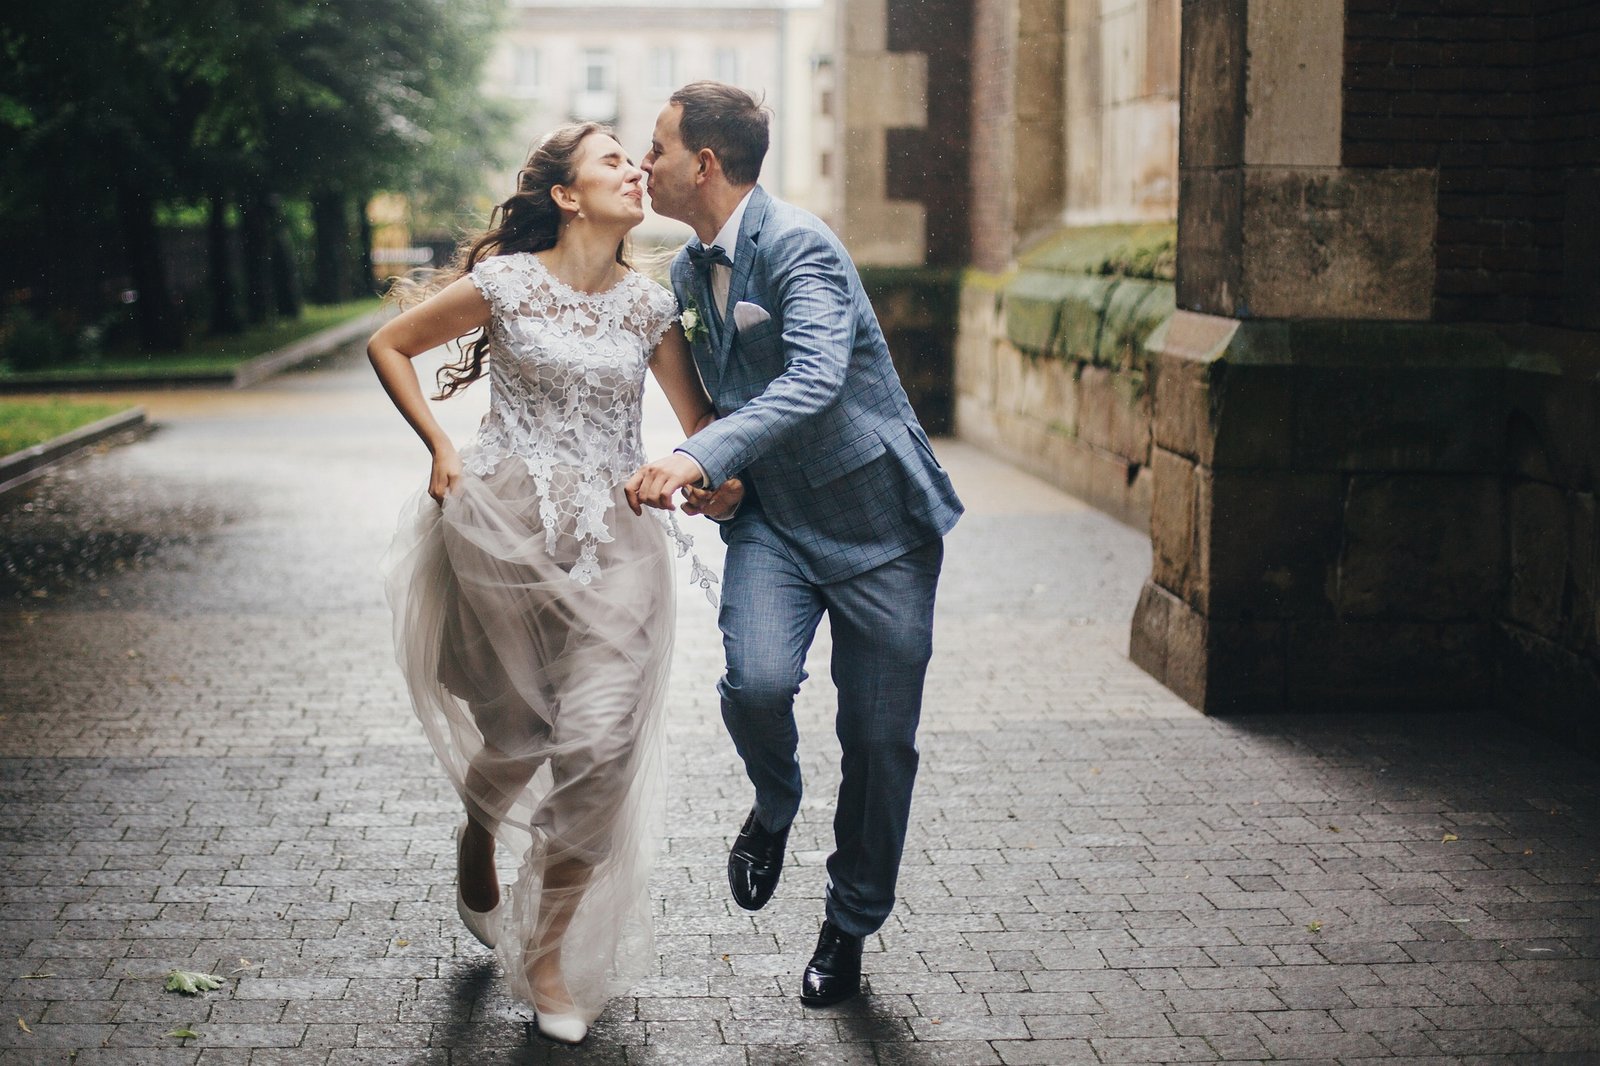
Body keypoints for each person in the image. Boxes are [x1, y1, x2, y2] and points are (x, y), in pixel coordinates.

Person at [369, 122, 740, 1044]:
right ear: (569, 196)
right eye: (613, 160)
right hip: (500, 524)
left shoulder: (649, 309)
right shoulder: (504, 285)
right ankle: (479, 827)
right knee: (520, 729)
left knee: (599, 740)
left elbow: (699, 428)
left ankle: (546, 950)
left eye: (634, 157)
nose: (635, 171)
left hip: (617, 540)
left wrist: (705, 477)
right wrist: (441, 446)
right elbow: (389, 344)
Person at [627, 82, 964, 1006]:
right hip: (774, 521)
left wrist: (698, 455)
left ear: (702, 163)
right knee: (757, 683)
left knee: (880, 743)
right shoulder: (690, 275)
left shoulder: (802, 245)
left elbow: (815, 376)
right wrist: (725, 476)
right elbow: (733, 395)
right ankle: (776, 803)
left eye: (655, 148)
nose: (643, 163)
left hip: (878, 525)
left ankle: (848, 926)